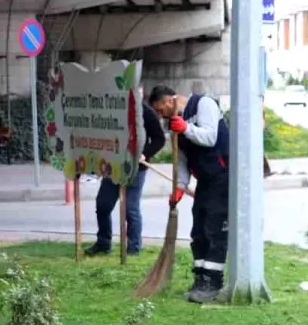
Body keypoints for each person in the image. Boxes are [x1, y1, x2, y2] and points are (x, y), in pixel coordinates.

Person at [149, 84, 230, 304]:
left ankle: (213, 282)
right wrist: (180, 186)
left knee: (215, 229)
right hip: (204, 180)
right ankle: (201, 278)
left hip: (222, 177)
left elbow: (210, 137)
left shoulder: (203, 104)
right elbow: (183, 160)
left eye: (160, 110)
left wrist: (185, 128)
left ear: (169, 101)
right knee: (199, 230)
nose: (161, 115)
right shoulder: (175, 124)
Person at [86, 90, 166, 256]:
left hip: (136, 169)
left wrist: (145, 154)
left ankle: (133, 247)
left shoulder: (146, 113)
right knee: (103, 204)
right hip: (113, 165)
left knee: (131, 209)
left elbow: (159, 139)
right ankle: (103, 242)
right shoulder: (113, 110)